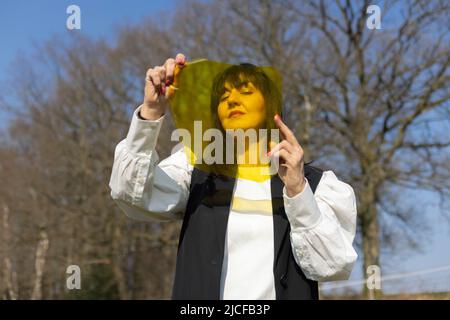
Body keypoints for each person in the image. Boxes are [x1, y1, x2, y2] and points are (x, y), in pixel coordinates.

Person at [109, 53, 358, 300]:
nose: (232, 101)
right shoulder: (195, 168)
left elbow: (332, 266)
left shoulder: (318, 186)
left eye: (245, 92)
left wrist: (298, 191)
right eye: (224, 96)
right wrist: (151, 112)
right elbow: (132, 195)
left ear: (271, 104)